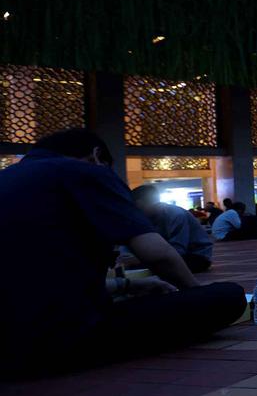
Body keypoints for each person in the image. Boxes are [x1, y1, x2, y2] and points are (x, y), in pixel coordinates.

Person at [0, 129, 244, 377]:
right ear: (96, 156)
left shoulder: (7, 177)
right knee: (227, 296)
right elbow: (158, 255)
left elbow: (35, 279)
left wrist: (124, 285)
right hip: (54, 338)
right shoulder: (87, 173)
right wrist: (196, 294)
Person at [130, 184, 214, 273]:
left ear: (142, 203)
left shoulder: (176, 214)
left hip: (196, 255)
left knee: (154, 267)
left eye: (136, 207)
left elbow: (178, 249)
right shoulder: (149, 216)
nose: (134, 211)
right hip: (175, 253)